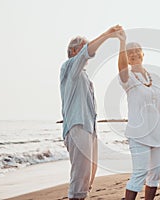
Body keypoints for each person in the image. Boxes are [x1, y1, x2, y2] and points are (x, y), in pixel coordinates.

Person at [116, 29, 160, 200]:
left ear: (143, 55)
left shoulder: (156, 78)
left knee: (154, 176)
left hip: (159, 134)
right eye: (129, 52)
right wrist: (122, 43)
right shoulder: (128, 79)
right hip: (139, 135)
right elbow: (122, 68)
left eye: (136, 50)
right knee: (139, 174)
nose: (133, 53)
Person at [60, 25, 122, 200]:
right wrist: (107, 35)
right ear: (73, 51)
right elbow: (87, 52)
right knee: (80, 178)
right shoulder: (69, 68)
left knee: (89, 175)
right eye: (82, 48)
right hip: (77, 127)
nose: (85, 53)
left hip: (89, 129)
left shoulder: (83, 75)